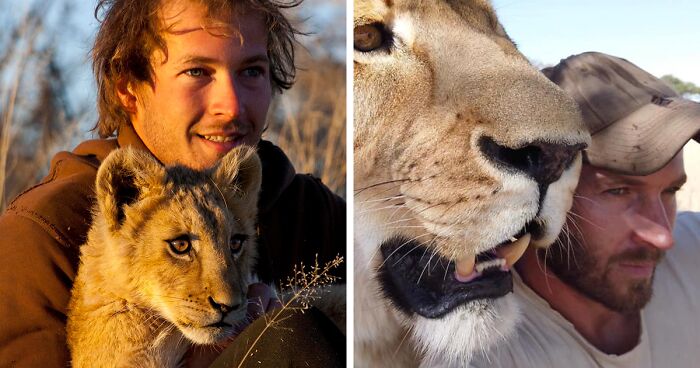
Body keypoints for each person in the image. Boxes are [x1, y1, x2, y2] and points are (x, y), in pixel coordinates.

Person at [0, 0, 345, 367]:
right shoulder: (41, 234)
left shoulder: (313, 211)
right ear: (128, 88)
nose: (230, 106)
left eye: (251, 71)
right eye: (198, 71)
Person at [469, 52, 700, 367]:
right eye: (618, 191)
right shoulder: (483, 351)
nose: (662, 237)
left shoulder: (693, 249)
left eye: (671, 191)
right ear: (535, 189)